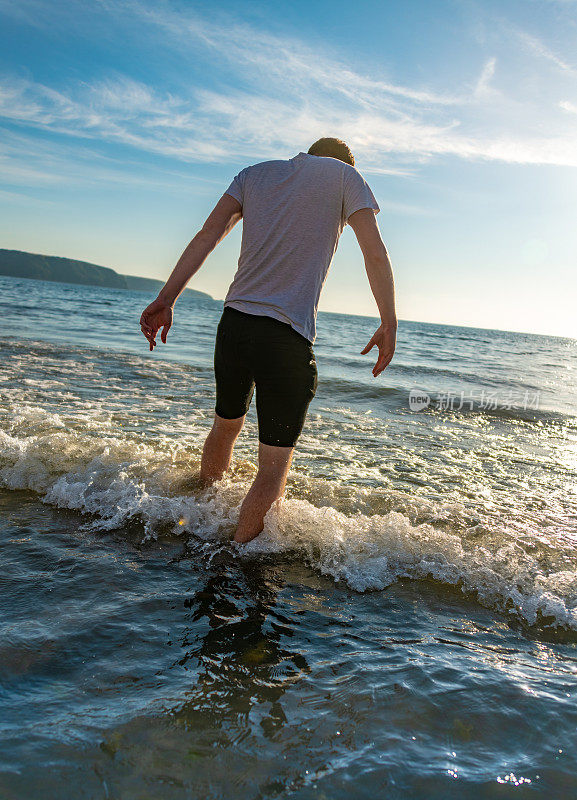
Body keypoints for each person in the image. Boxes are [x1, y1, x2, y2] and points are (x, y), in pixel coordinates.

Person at [140, 137, 397, 544]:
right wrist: (388, 320)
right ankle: (235, 558)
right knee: (272, 467)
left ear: (310, 153)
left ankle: (198, 521)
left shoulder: (253, 174)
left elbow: (208, 234)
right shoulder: (347, 176)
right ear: (345, 163)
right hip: (284, 336)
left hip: (234, 326)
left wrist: (165, 299)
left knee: (225, 427)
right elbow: (375, 252)